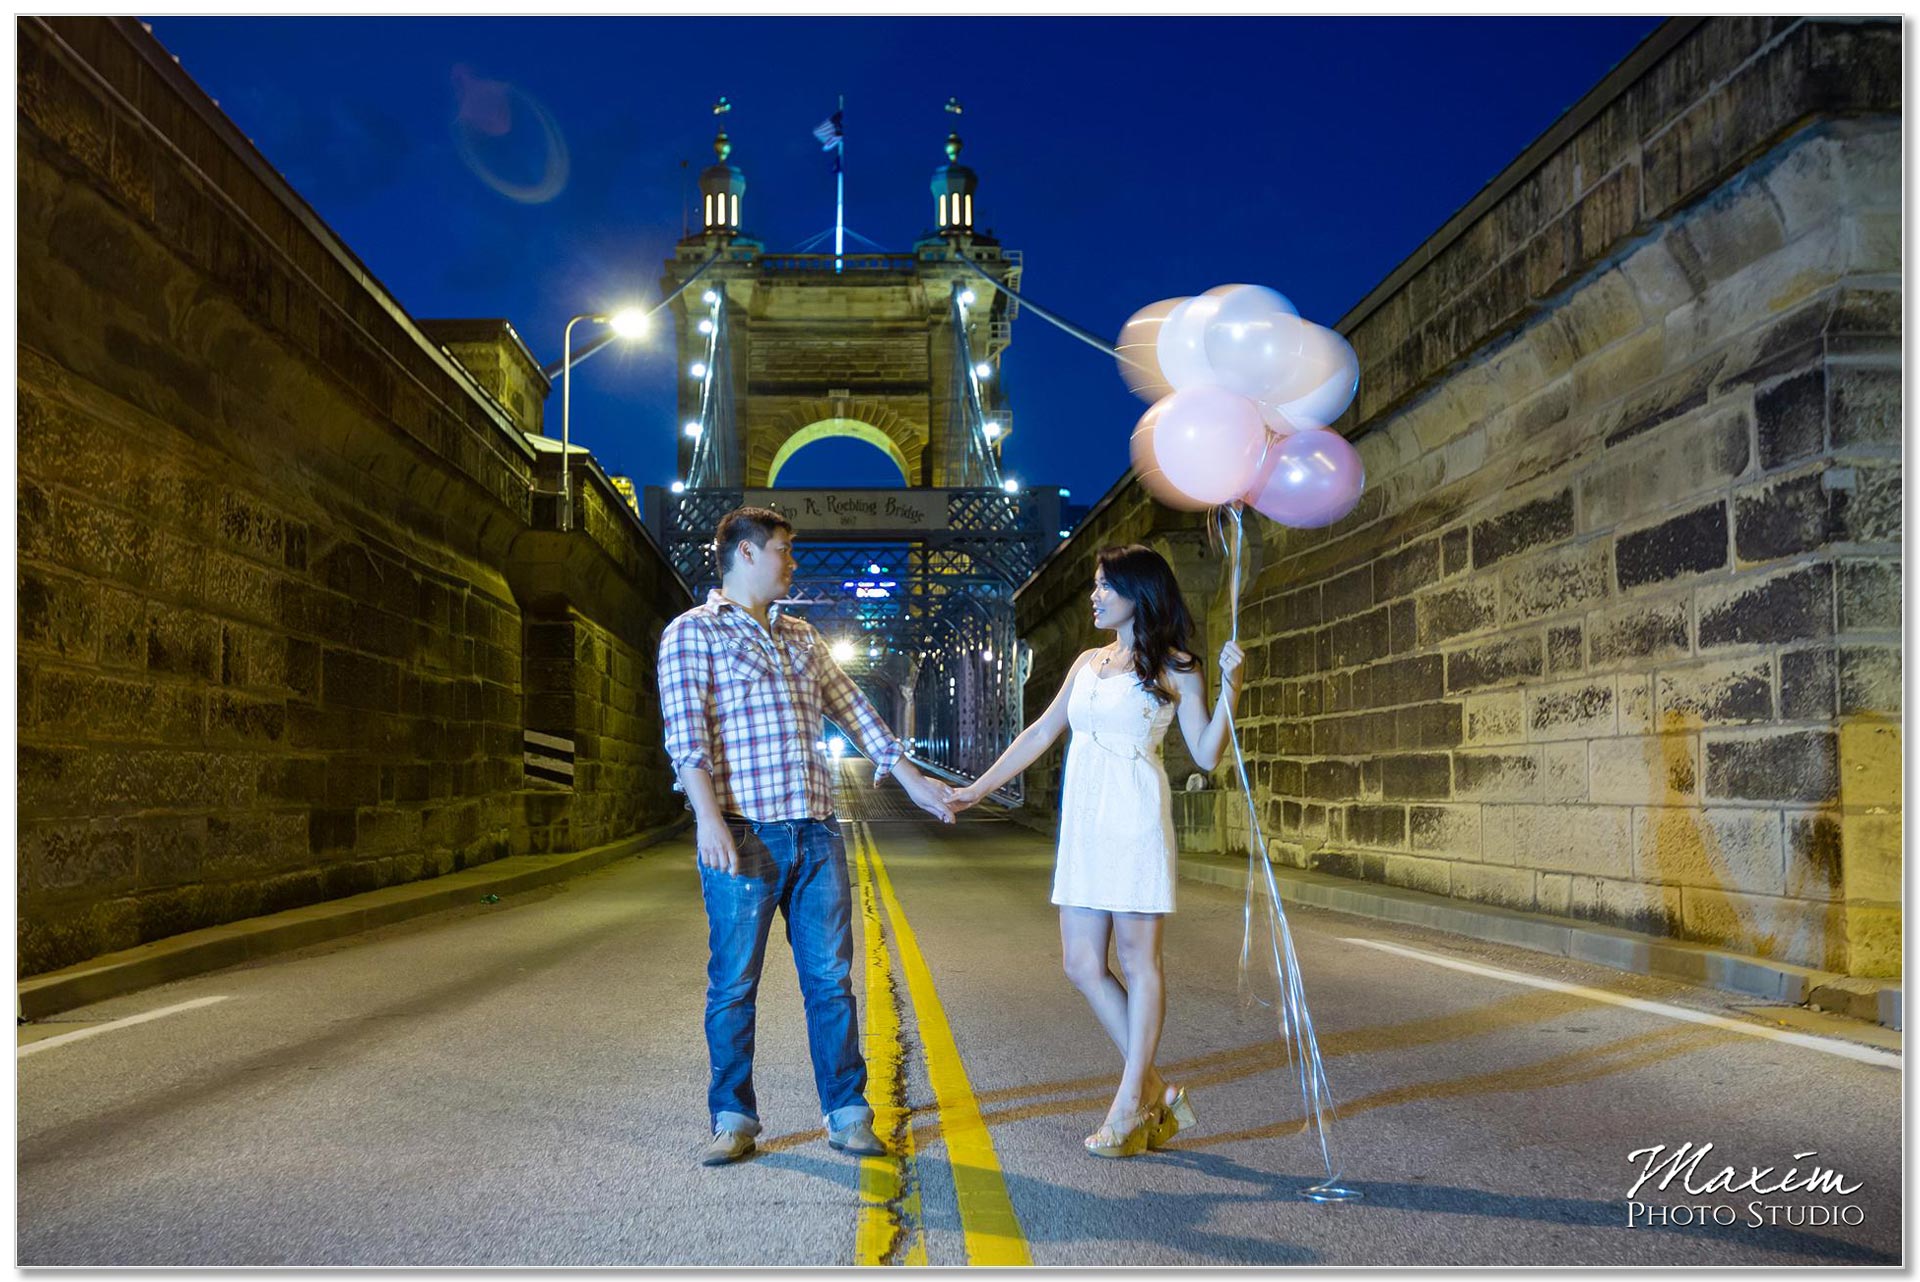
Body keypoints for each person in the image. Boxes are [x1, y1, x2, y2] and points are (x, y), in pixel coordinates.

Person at [657, 506, 956, 1167]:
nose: (794, 562)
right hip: (742, 834)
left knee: (830, 981)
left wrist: (909, 778)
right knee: (733, 983)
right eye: (785, 551)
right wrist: (707, 818)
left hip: (817, 830)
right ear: (744, 554)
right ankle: (733, 1117)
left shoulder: (802, 637)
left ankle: (848, 1114)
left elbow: (853, 708)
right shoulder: (692, 635)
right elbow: (687, 736)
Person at [950, 544, 1243, 1158]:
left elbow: (1208, 752)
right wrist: (976, 790)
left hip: (1135, 820)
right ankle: (1156, 1092)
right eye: (1093, 584)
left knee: (1139, 965)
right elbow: (1041, 731)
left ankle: (1130, 1102)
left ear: (1140, 591)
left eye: (1106, 585)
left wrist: (1231, 687)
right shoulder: (1087, 660)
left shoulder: (1175, 665)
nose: (1094, 594)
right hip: (1084, 827)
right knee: (1081, 964)